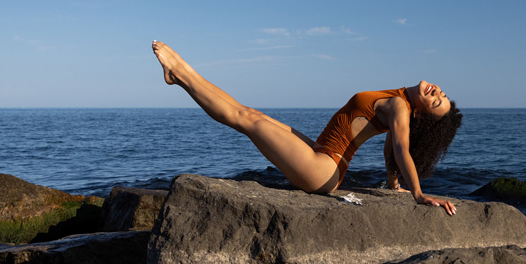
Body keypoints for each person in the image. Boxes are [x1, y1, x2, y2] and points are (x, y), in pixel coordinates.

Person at [152, 41, 462, 215]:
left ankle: (179, 72)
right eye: (442, 95)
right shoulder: (398, 101)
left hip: (322, 169)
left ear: (421, 115)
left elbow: (400, 149)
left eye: (436, 102)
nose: (437, 93)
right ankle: (181, 75)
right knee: (249, 114)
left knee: (246, 120)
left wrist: (418, 194)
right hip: (322, 157)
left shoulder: (400, 108)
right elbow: (390, 148)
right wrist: (393, 184)